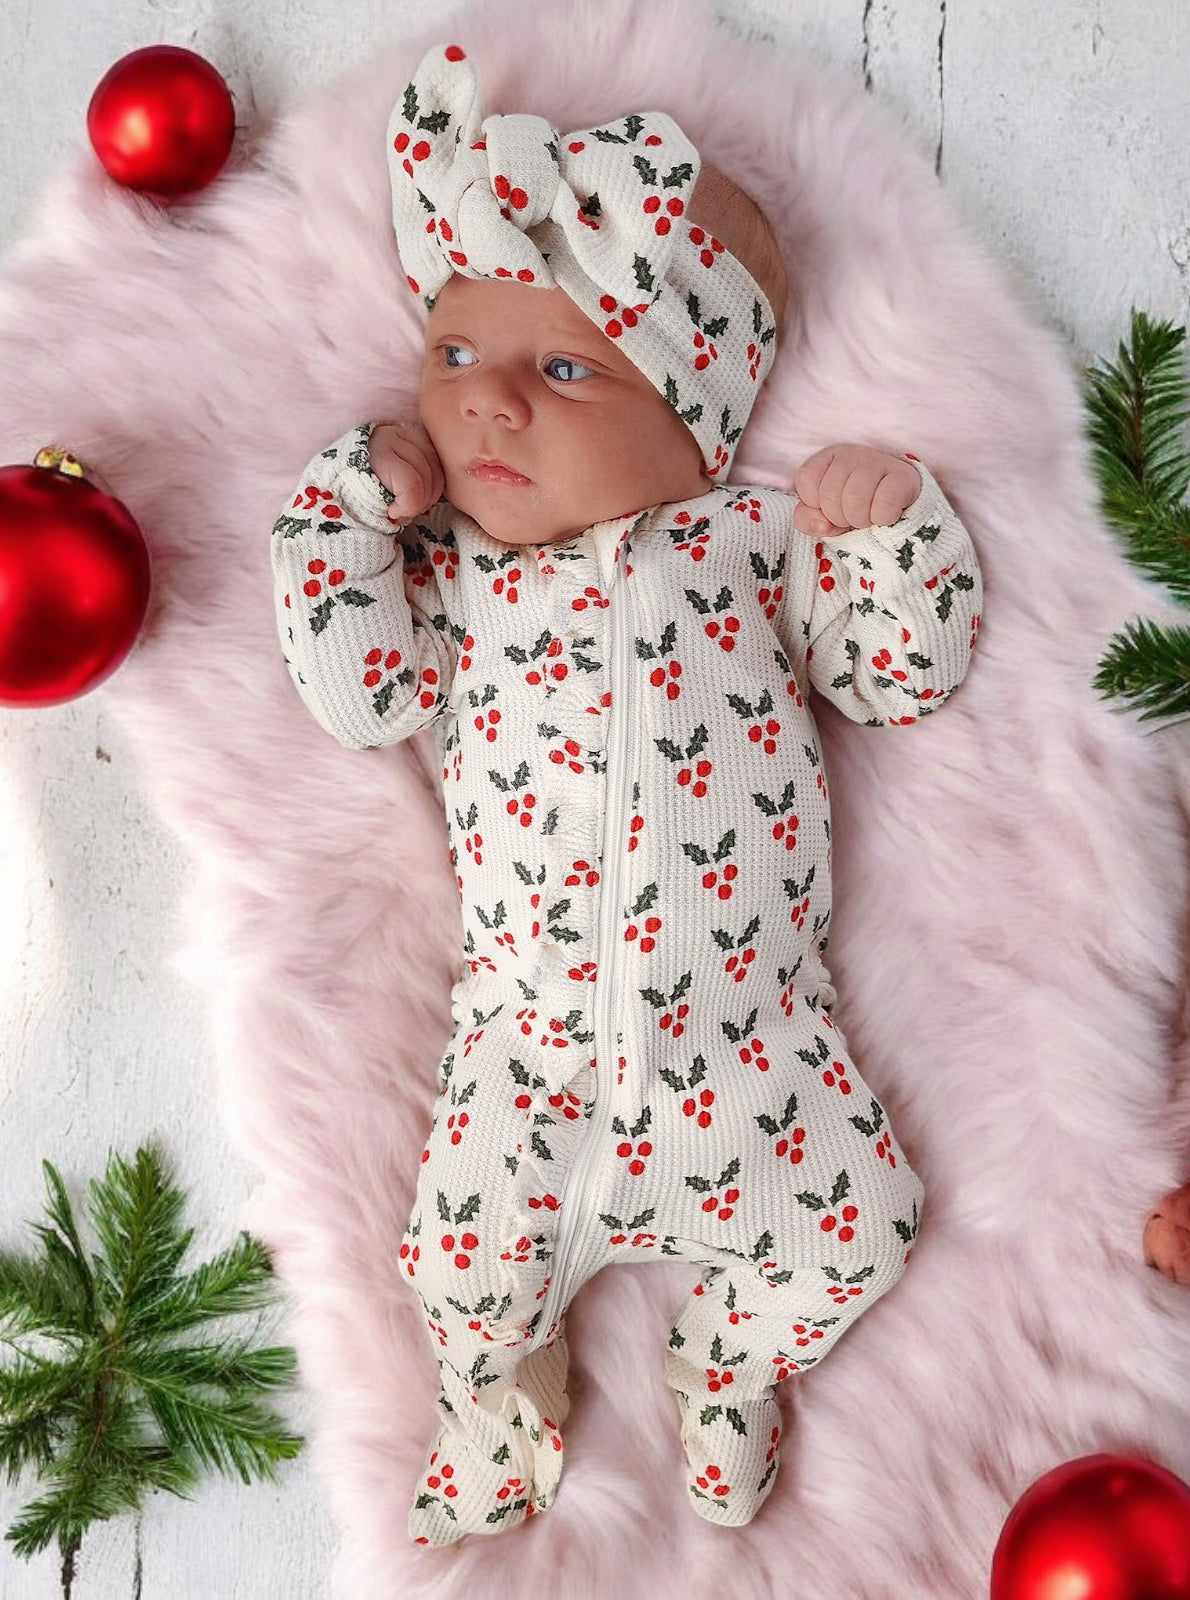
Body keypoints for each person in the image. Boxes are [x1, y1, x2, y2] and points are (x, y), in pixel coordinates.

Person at [271, 42, 982, 1547]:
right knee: (452, 1265)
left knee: (864, 1231)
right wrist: (341, 513)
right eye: (453, 357)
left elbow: (893, 677)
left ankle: (728, 1355)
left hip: (753, 1056)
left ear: (702, 413)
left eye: (563, 368)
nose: (484, 409)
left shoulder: (748, 545)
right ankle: (499, 1387)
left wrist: (892, 537)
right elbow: (357, 693)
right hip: (526, 1060)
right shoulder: (453, 577)